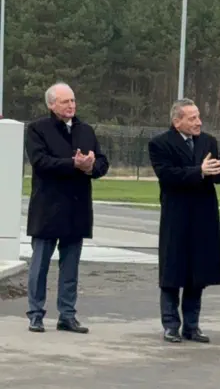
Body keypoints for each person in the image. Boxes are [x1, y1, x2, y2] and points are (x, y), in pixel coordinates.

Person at [24, 82, 110, 334]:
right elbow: (40, 162)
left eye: (73, 100)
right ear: (52, 105)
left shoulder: (86, 130)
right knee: (40, 265)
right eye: (65, 101)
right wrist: (73, 164)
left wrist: (90, 167)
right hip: (48, 208)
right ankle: (35, 314)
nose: (71, 105)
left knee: (70, 267)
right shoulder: (37, 129)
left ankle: (67, 315)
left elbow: (102, 163)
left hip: (77, 208)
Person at [147, 98, 220, 343]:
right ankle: (171, 324)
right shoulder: (160, 144)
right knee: (172, 272)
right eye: (192, 118)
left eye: (199, 116)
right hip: (177, 214)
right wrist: (199, 171)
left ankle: (192, 326)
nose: (198, 122)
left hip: (203, 214)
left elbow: (215, 177)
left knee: (198, 272)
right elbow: (167, 175)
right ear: (177, 122)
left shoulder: (208, 141)